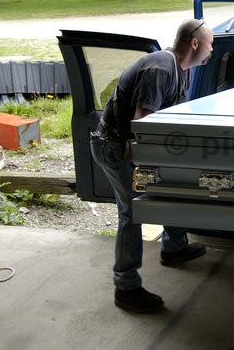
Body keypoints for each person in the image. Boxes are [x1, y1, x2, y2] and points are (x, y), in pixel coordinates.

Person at [90, 18, 214, 314]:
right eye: (210, 44)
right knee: (133, 212)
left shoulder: (181, 69)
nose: (212, 50)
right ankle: (126, 286)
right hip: (116, 147)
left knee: (173, 187)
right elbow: (143, 125)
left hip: (135, 145)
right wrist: (155, 168)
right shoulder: (160, 68)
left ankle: (174, 247)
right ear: (195, 44)